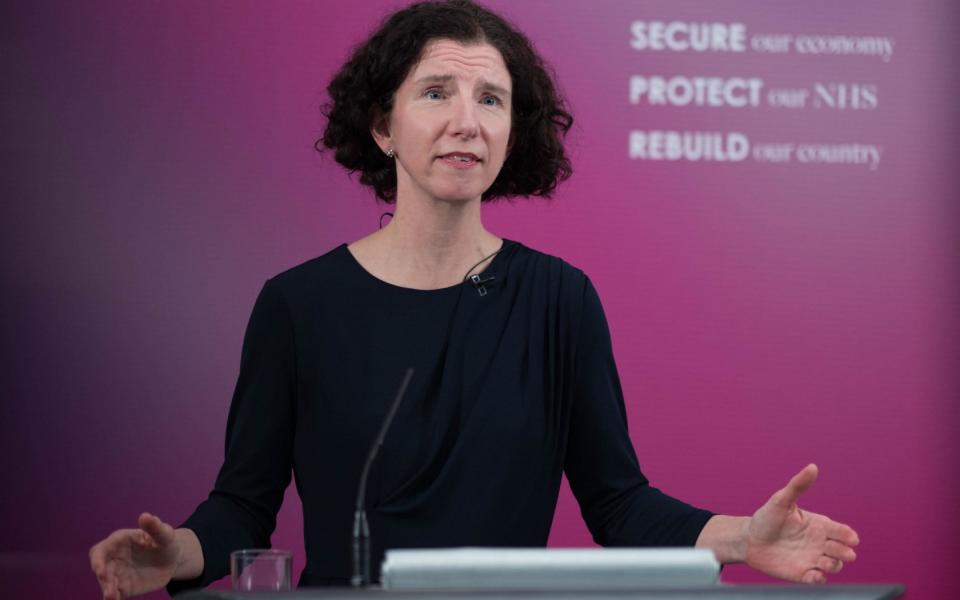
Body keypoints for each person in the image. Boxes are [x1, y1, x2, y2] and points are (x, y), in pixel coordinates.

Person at [89, 1, 860, 598]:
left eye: (491, 100)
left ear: (512, 132)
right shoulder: (298, 305)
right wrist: (177, 555)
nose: (467, 121)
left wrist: (740, 538)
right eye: (436, 92)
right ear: (382, 125)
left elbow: (620, 507)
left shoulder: (559, 300)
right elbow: (242, 509)